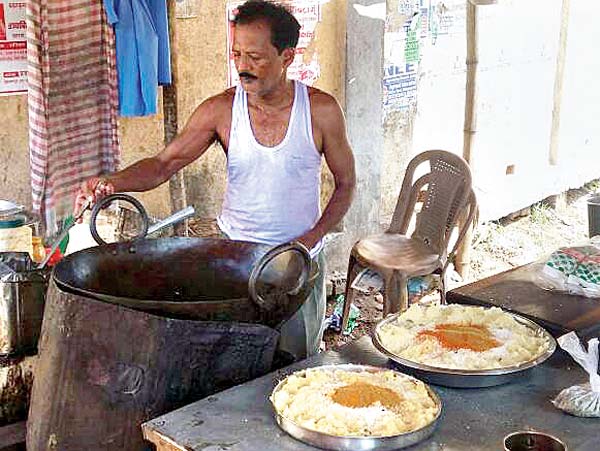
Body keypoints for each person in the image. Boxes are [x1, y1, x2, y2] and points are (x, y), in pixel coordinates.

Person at [75, 0, 355, 359]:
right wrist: (112, 182)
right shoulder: (220, 110)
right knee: (238, 365)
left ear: (287, 57)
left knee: (296, 365)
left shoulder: (321, 111)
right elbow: (163, 164)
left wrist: (310, 238)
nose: (242, 66)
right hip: (235, 261)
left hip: (297, 263)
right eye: (236, 54)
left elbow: (346, 183)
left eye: (255, 57)